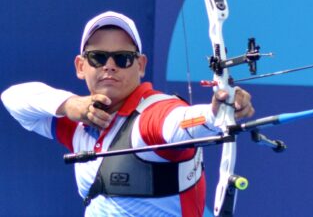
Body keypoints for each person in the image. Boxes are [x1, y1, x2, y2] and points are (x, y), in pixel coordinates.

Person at [1, 11, 254, 217]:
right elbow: (12, 99)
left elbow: (180, 122)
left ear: (141, 65)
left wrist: (215, 112)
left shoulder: (152, 116)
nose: (109, 66)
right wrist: (68, 104)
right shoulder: (79, 122)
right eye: (97, 57)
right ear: (80, 66)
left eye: (122, 59)